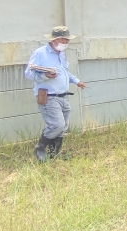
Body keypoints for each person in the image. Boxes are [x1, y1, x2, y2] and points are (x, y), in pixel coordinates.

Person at [25, 26, 86, 162]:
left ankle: (54, 155)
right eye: (63, 39)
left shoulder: (61, 54)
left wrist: (77, 81)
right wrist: (45, 75)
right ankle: (40, 148)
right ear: (54, 40)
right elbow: (28, 73)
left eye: (67, 40)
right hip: (49, 97)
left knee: (62, 127)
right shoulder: (40, 53)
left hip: (63, 96)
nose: (65, 42)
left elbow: (65, 72)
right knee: (57, 125)